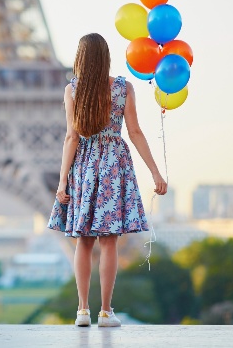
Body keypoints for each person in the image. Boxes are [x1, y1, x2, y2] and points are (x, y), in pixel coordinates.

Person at [47, 33, 168, 328]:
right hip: (114, 165)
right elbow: (135, 132)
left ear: (80, 58)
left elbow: (71, 138)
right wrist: (155, 171)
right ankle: (105, 312)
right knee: (109, 242)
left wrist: (62, 182)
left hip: (84, 167)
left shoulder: (72, 91)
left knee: (84, 243)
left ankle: (82, 311)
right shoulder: (122, 88)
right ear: (106, 57)